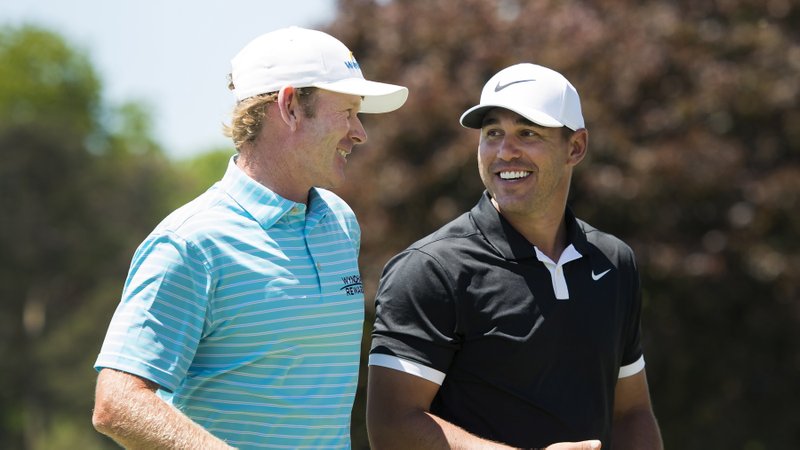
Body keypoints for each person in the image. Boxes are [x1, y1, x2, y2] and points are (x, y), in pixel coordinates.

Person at [91, 26, 407, 449]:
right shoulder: (191, 244)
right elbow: (118, 402)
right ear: (291, 106)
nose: (360, 132)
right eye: (348, 112)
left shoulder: (339, 223)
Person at [366, 63, 662, 450]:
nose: (505, 152)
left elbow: (632, 412)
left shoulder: (613, 261)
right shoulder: (430, 269)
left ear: (575, 147)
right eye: (493, 134)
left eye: (528, 133)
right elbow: (392, 427)